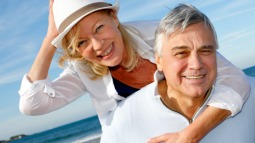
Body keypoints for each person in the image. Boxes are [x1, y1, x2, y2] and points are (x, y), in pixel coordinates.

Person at [18, 0, 250, 142]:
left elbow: (235, 79)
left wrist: (190, 135)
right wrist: (50, 39)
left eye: (99, 28)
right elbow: (32, 104)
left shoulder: (160, 35)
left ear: (114, 17)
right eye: (82, 42)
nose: (97, 46)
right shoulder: (84, 69)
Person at [100, 4, 255, 143]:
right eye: (181, 53)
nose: (196, 64)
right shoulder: (123, 120)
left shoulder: (250, 93)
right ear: (158, 61)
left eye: (205, 51)